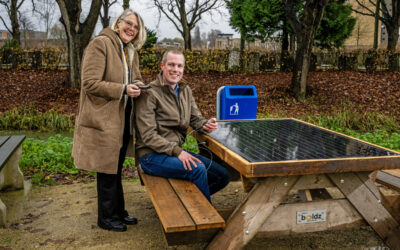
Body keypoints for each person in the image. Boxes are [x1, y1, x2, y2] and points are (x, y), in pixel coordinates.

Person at [72, 9, 147, 232]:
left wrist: (140, 85)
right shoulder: (100, 44)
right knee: (106, 170)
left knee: (115, 168)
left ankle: (118, 211)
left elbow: (135, 78)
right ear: (118, 22)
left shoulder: (130, 51)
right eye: (129, 23)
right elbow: (90, 83)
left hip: (123, 118)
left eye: (136, 27)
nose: (131, 29)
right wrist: (124, 89)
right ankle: (106, 217)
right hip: (104, 119)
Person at [135, 48, 231, 203]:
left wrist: (205, 124)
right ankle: (204, 217)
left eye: (179, 66)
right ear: (162, 66)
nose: (175, 70)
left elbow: (195, 119)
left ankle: (187, 202)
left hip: (173, 152)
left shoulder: (185, 90)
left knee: (223, 176)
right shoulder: (149, 94)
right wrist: (177, 151)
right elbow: (148, 136)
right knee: (197, 169)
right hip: (151, 156)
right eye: (171, 65)